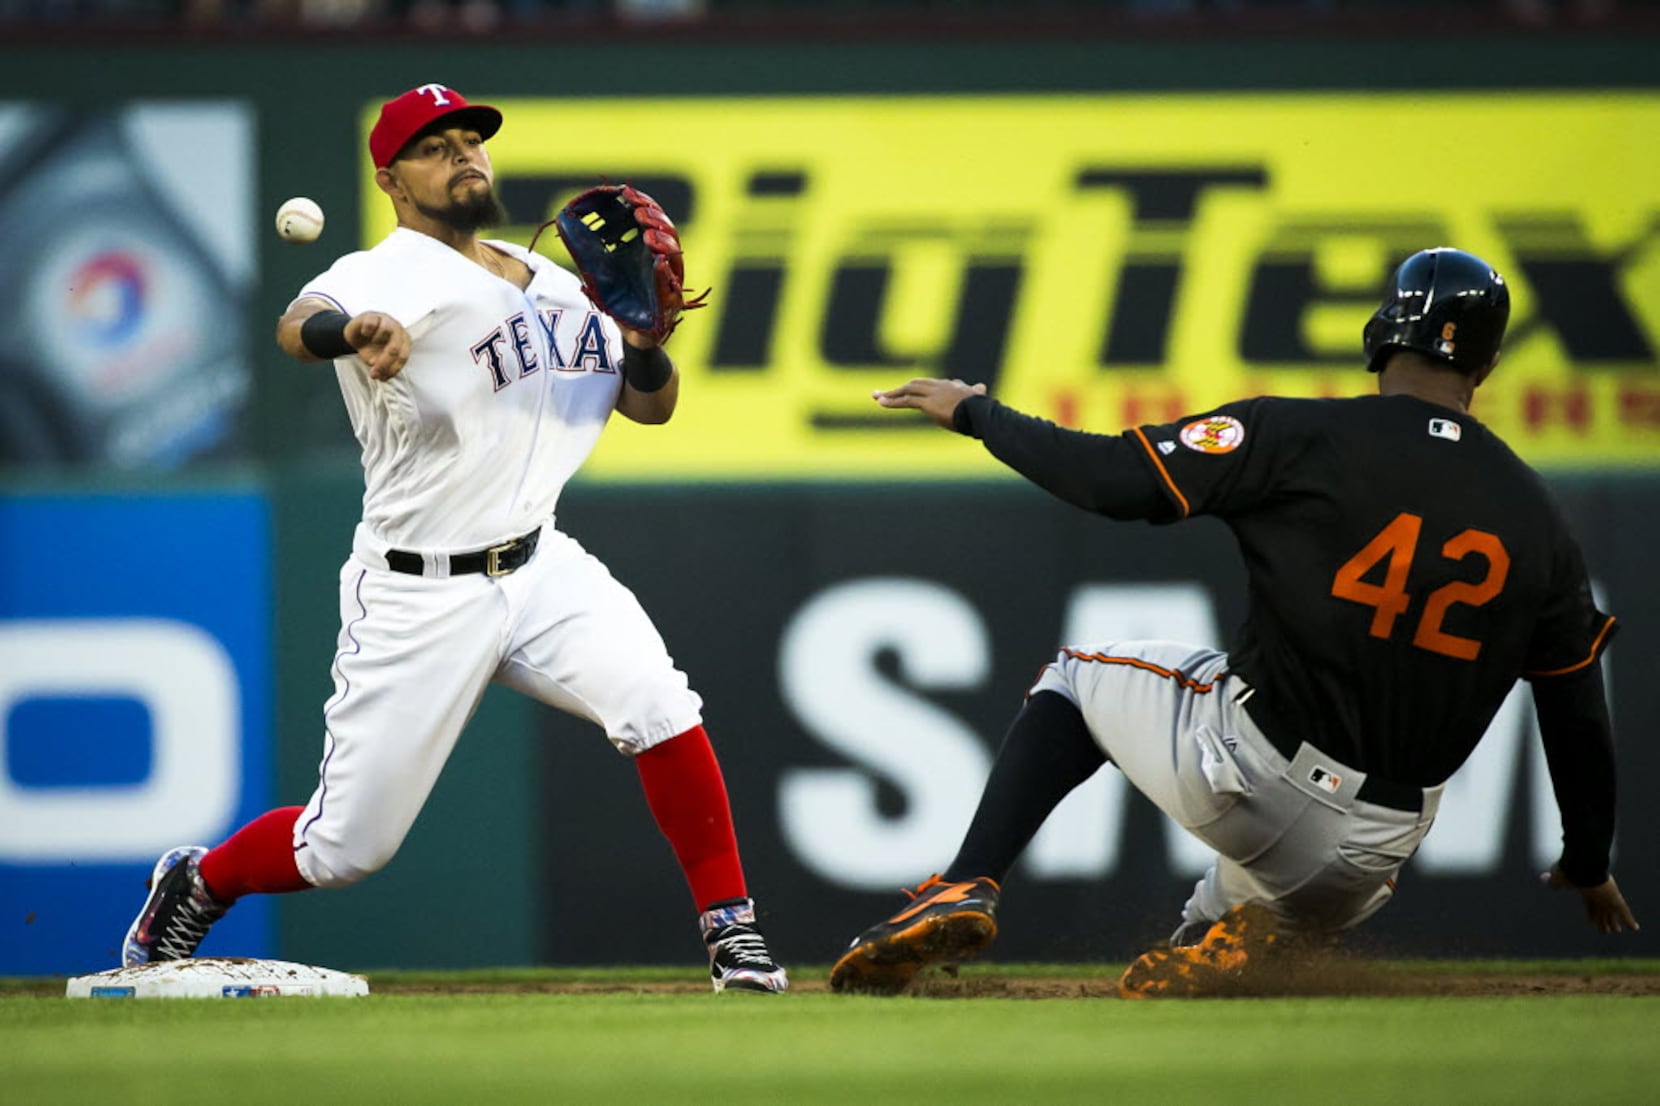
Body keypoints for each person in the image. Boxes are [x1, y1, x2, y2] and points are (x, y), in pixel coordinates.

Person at [829, 247, 1638, 998]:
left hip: (1258, 777)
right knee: (1205, 951)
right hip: (1375, 855)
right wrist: (1589, 859)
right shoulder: (1538, 518)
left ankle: (965, 882)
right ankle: (1234, 936)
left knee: (1075, 678)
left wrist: (980, 414)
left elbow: (1116, 481)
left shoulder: (1301, 435)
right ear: (1487, 364)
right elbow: (1575, 710)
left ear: (1383, 331)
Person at [121, 83, 787, 994]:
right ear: (394, 181)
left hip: (541, 561)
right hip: (418, 585)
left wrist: (642, 338)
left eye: (472, 139)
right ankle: (199, 880)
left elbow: (652, 406)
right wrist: (349, 331)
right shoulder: (385, 271)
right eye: (437, 147)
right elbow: (292, 330)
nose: (465, 154)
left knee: (661, 705)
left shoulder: (554, 281)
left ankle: (734, 936)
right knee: (343, 848)